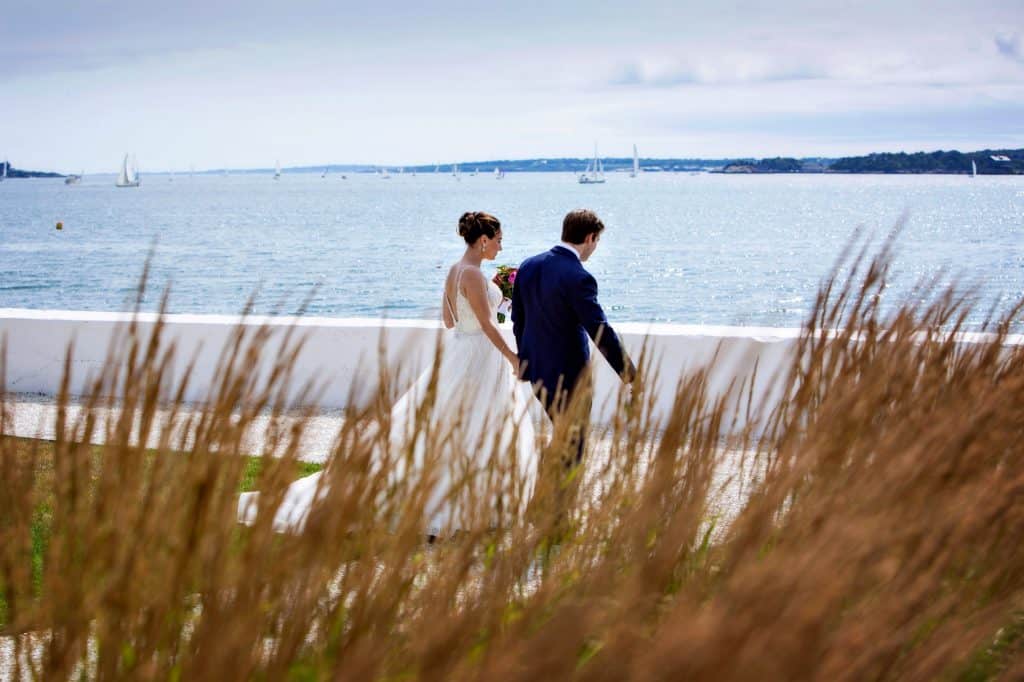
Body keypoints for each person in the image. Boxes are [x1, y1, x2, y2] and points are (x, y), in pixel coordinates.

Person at [238, 211, 537, 534]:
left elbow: (450, 322)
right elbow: (486, 324)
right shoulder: (475, 277)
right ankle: (466, 504)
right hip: (478, 356)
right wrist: (510, 356)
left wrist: (493, 304)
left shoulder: (454, 271)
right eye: (498, 241)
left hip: (458, 353)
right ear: (483, 241)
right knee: (476, 423)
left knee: (451, 423)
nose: (500, 248)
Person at [511, 208, 635, 466]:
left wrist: (525, 361)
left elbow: (518, 321)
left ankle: (547, 495)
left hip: (538, 372)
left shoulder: (528, 266)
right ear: (590, 237)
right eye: (597, 241)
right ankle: (554, 501)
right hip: (570, 377)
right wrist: (630, 374)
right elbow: (600, 331)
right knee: (573, 446)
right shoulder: (579, 277)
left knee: (563, 437)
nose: (595, 247)